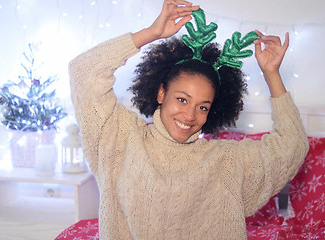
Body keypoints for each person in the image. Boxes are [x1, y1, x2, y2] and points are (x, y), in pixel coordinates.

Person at [69, 0, 309, 239]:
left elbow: (292, 146)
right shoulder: (120, 139)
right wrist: (151, 33)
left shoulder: (227, 162)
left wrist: (272, 74)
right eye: (182, 100)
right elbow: (83, 71)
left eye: (203, 107)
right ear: (161, 93)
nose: (190, 116)